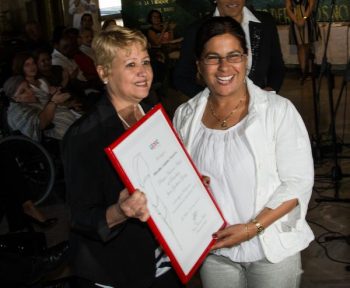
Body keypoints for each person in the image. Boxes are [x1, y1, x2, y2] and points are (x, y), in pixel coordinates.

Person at [173, 17, 314, 288]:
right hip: (214, 251)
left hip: (268, 250)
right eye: (213, 58)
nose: (224, 67)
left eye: (233, 56)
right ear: (199, 65)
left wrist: (252, 229)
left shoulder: (277, 111)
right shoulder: (185, 115)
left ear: (246, 59)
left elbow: (297, 182)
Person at [62, 26, 183, 288]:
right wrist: (120, 211)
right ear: (104, 73)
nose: (143, 72)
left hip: (165, 259)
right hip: (117, 268)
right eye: (130, 64)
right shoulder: (85, 135)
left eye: (146, 62)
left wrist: (189, 182)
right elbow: (80, 216)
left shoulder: (155, 114)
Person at [172, 0, 285, 98]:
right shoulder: (197, 30)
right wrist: (209, 99)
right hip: (218, 112)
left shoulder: (265, 22)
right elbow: (181, 77)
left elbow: (277, 65)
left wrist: (270, 91)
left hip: (259, 106)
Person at [3, 75, 76, 142]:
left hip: (74, 124)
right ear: (15, 98)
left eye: (28, 86)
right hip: (63, 140)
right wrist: (54, 101)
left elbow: (50, 105)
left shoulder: (35, 94)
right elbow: (40, 124)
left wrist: (67, 103)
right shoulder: (16, 113)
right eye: (23, 92)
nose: (30, 91)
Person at [286, 0, 320, 84]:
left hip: (307, 21)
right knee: (300, 47)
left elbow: (311, 5)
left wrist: (304, 19)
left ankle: (310, 71)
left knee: (308, 46)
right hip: (295, 22)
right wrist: (296, 20)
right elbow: (288, 8)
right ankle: (303, 72)